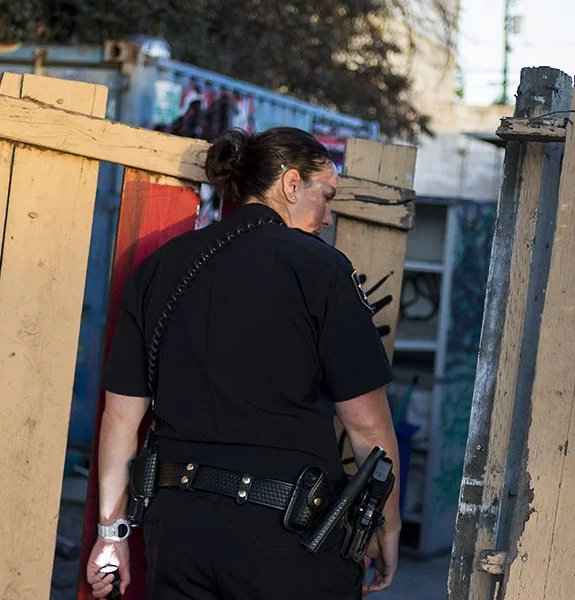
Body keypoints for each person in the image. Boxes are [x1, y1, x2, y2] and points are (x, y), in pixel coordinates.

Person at [85, 126, 401, 600]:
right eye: (326, 196)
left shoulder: (160, 267)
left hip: (179, 536)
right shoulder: (323, 269)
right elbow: (369, 429)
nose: (330, 216)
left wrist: (111, 535)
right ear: (292, 185)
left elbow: (120, 418)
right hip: (290, 541)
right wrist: (387, 524)